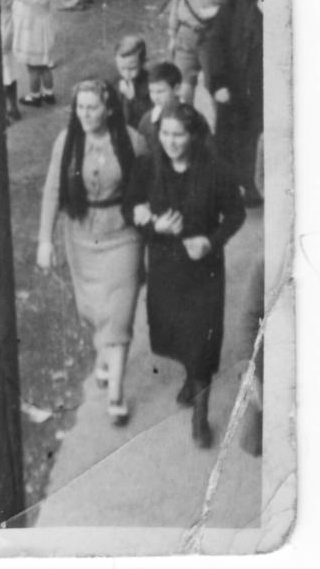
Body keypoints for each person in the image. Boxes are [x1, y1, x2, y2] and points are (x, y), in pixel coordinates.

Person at [124, 100, 247, 448]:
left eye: (179, 134)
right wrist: (152, 223)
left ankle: (200, 414)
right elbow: (129, 206)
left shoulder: (215, 170)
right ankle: (193, 379)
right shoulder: (147, 167)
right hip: (165, 267)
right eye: (165, 133)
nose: (171, 141)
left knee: (203, 338)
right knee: (175, 333)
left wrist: (211, 242)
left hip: (203, 270)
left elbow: (236, 214)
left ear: (193, 135)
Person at [37, 79, 145, 425]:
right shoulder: (66, 142)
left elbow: (151, 185)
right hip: (80, 236)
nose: (84, 114)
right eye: (79, 107)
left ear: (109, 108)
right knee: (94, 309)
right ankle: (104, 358)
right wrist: (44, 240)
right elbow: (53, 190)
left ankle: (115, 391)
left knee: (120, 312)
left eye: (92, 107)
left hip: (122, 234)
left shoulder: (133, 141)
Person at [210, 0, 264, 207]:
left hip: (259, 93)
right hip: (232, 87)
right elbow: (217, 40)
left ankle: (253, 188)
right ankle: (228, 188)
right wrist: (218, 82)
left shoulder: (272, 5)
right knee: (228, 140)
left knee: (255, 143)